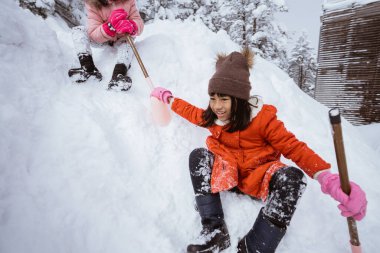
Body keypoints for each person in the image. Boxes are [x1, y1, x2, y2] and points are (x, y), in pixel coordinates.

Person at [150, 48, 367, 253]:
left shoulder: (262, 120)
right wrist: (169, 99)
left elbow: (293, 147)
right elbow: (191, 112)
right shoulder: (214, 118)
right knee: (198, 156)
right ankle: (214, 231)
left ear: (240, 99)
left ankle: (255, 247)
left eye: (224, 99)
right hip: (228, 174)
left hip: (259, 177)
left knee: (294, 178)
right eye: (213, 98)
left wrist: (326, 178)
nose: (217, 106)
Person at [68, 0, 144, 91]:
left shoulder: (129, 1)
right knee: (78, 30)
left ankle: (119, 75)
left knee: (128, 43)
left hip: (122, 38)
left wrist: (132, 25)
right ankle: (88, 68)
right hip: (102, 39)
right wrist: (109, 27)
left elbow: (138, 22)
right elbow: (93, 34)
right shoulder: (93, 4)